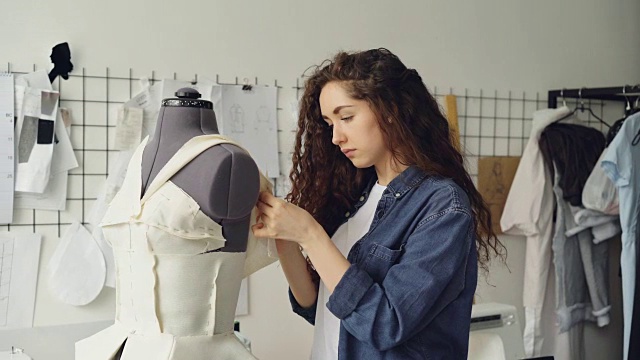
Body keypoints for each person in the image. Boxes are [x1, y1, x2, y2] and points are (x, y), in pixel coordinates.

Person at [252, 48, 505, 359]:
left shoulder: (443, 207)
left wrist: (309, 234)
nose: (336, 137)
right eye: (330, 123)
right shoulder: (357, 196)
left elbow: (385, 323)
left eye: (346, 117)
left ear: (390, 110)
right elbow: (319, 307)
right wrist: (286, 242)